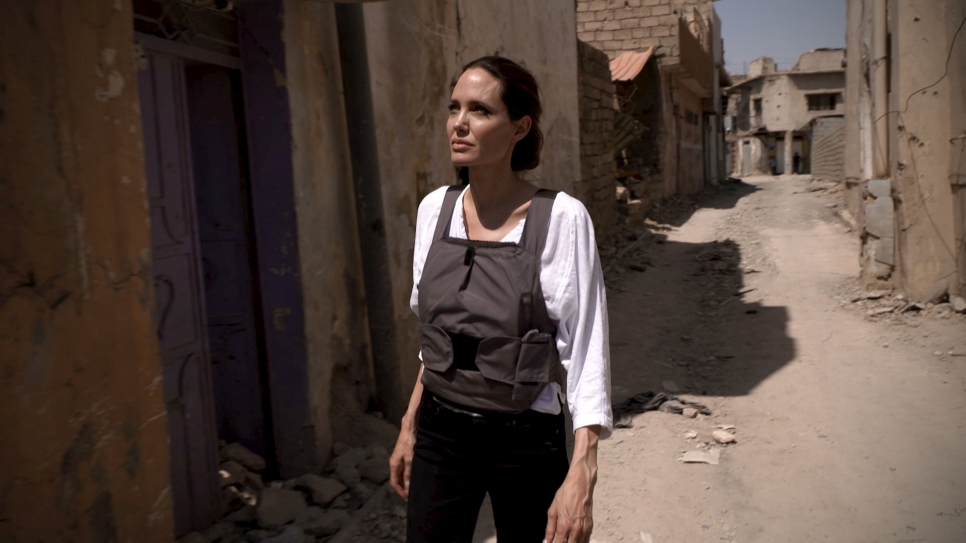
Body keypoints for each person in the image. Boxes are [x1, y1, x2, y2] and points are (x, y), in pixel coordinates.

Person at [388, 55, 613, 543]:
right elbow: (436, 341)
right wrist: (410, 426)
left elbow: (586, 350)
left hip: (525, 438)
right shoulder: (435, 211)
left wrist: (583, 471)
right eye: (454, 108)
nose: (460, 124)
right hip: (441, 431)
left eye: (480, 110)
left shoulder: (561, 218)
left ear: (519, 127)